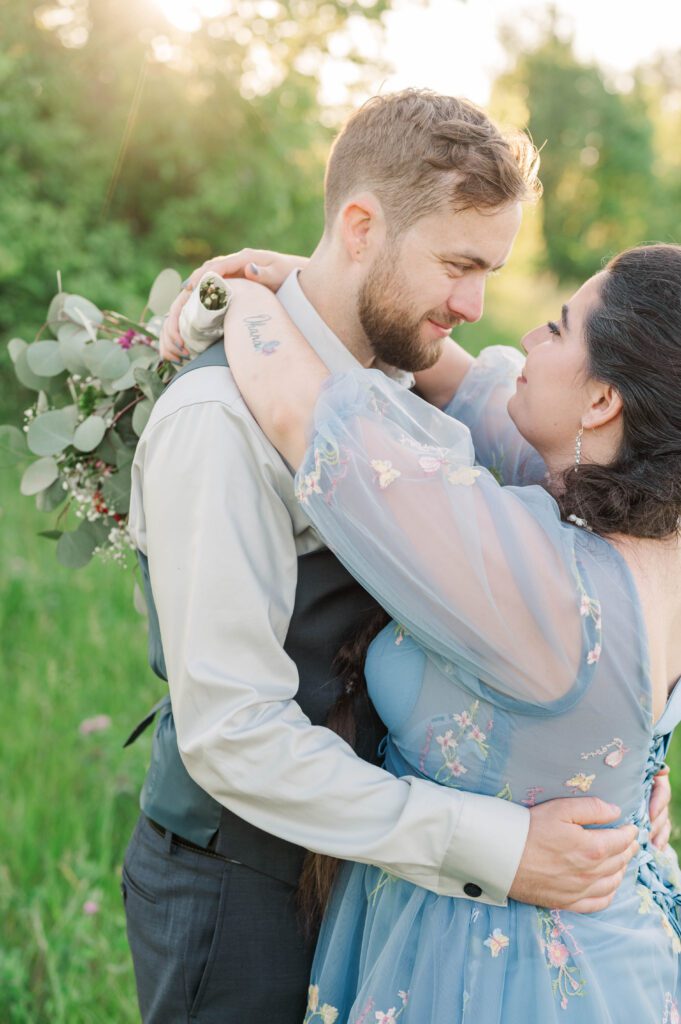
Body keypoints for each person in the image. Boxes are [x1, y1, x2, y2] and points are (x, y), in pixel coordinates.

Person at [125, 90, 663, 1023]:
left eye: (490, 270)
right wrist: (498, 843)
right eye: (458, 264)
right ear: (362, 226)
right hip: (243, 887)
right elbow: (235, 735)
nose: (476, 305)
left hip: (392, 889)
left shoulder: (418, 394)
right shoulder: (219, 422)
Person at [212, 241, 681, 1022]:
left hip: (490, 972)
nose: (528, 340)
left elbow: (305, 415)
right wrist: (310, 277)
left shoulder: (546, 587)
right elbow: (473, 383)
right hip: (614, 941)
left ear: (601, 403)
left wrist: (233, 288)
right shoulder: (656, 532)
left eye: (559, 329)